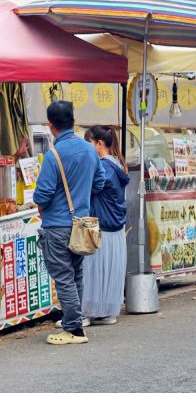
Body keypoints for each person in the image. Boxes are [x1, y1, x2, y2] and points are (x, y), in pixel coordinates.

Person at [33, 101, 105, 345]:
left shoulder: (53, 155)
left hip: (57, 226)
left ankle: (74, 329)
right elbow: (99, 183)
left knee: (64, 277)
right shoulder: (89, 150)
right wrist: (81, 200)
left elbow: (41, 195)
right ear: (73, 121)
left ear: (51, 126)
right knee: (76, 275)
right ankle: (75, 322)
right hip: (81, 224)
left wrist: (46, 205)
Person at [81, 125, 129, 325]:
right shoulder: (117, 164)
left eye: (88, 143)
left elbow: (89, 187)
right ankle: (108, 311)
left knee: (92, 272)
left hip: (100, 226)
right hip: (115, 228)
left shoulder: (103, 167)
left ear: (99, 144)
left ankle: (85, 313)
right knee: (108, 273)